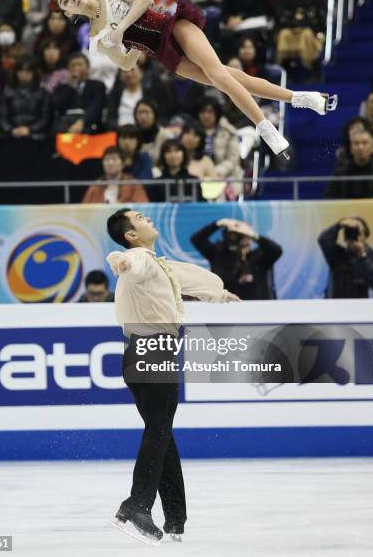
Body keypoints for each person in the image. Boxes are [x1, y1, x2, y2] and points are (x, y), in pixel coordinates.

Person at [51, 0, 338, 159]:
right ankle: (303, 99)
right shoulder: (96, 38)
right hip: (163, 54)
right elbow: (125, 64)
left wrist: (121, 27)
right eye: (66, 1)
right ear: (67, 12)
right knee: (231, 78)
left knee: (220, 77)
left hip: (173, 28)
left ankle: (267, 130)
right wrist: (128, 46)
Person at [106, 207, 239, 543]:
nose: (147, 218)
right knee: (159, 431)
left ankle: (175, 519)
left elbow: (188, 278)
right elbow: (128, 262)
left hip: (140, 351)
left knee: (162, 434)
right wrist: (120, 261)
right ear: (130, 234)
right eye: (139, 218)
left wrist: (219, 295)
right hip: (153, 349)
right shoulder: (140, 258)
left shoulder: (159, 264)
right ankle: (137, 505)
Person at [191, 218, 283, 299]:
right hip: (224, 309)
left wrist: (254, 236)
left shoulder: (260, 257)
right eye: (233, 234)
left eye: (242, 234)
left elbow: (276, 250)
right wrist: (217, 224)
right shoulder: (218, 255)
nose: (238, 237)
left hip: (258, 310)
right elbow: (197, 239)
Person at [275, 0, 328, 73]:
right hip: (288, 24)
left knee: (307, 35)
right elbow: (281, 10)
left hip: (311, 27)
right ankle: (285, 70)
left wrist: (305, 19)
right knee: (284, 34)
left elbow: (321, 13)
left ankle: (309, 69)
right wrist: (293, 19)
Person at [318, 217, 373, 298]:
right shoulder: (337, 255)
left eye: (356, 234)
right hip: (336, 307)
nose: (351, 240)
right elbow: (323, 240)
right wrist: (339, 225)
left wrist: (362, 256)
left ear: (364, 236)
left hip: (363, 308)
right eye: (348, 234)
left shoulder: (372, 257)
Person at [0, 57, 52, 140]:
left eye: (28, 71)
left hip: (36, 135)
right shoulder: (7, 91)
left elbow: (45, 118)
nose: (24, 74)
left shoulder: (43, 92)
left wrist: (30, 129)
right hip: (11, 134)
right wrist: (11, 129)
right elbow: (2, 116)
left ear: (34, 72)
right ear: (15, 72)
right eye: (20, 70)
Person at [53, 52, 107, 134]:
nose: (76, 68)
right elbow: (57, 106)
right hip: (65, 123)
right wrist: (70, 85)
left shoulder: (97, 85)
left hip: (88, 122)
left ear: (88, 68)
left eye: (79, 65)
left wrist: (82, 122)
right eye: (73, 65)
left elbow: (96, 107)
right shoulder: (62, 87)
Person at [81, 146, 149, 203]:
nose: (110, 163)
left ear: (123, 164)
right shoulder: (95, 187)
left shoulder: (133, 184)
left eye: (114, 159)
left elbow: (143, 207)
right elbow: (84, 211)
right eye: (107, 159)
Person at [325, 130, 373, 199]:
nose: (360, 147)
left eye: (365, 143)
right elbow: (329, 198)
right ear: (351, 148)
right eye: (356, 143)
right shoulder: (340, 172)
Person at [133, 98, 172, 164]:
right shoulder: (131, 136)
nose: (143, 117)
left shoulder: (166, 136)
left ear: (155, 115)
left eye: (147, 112)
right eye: (140, 113)